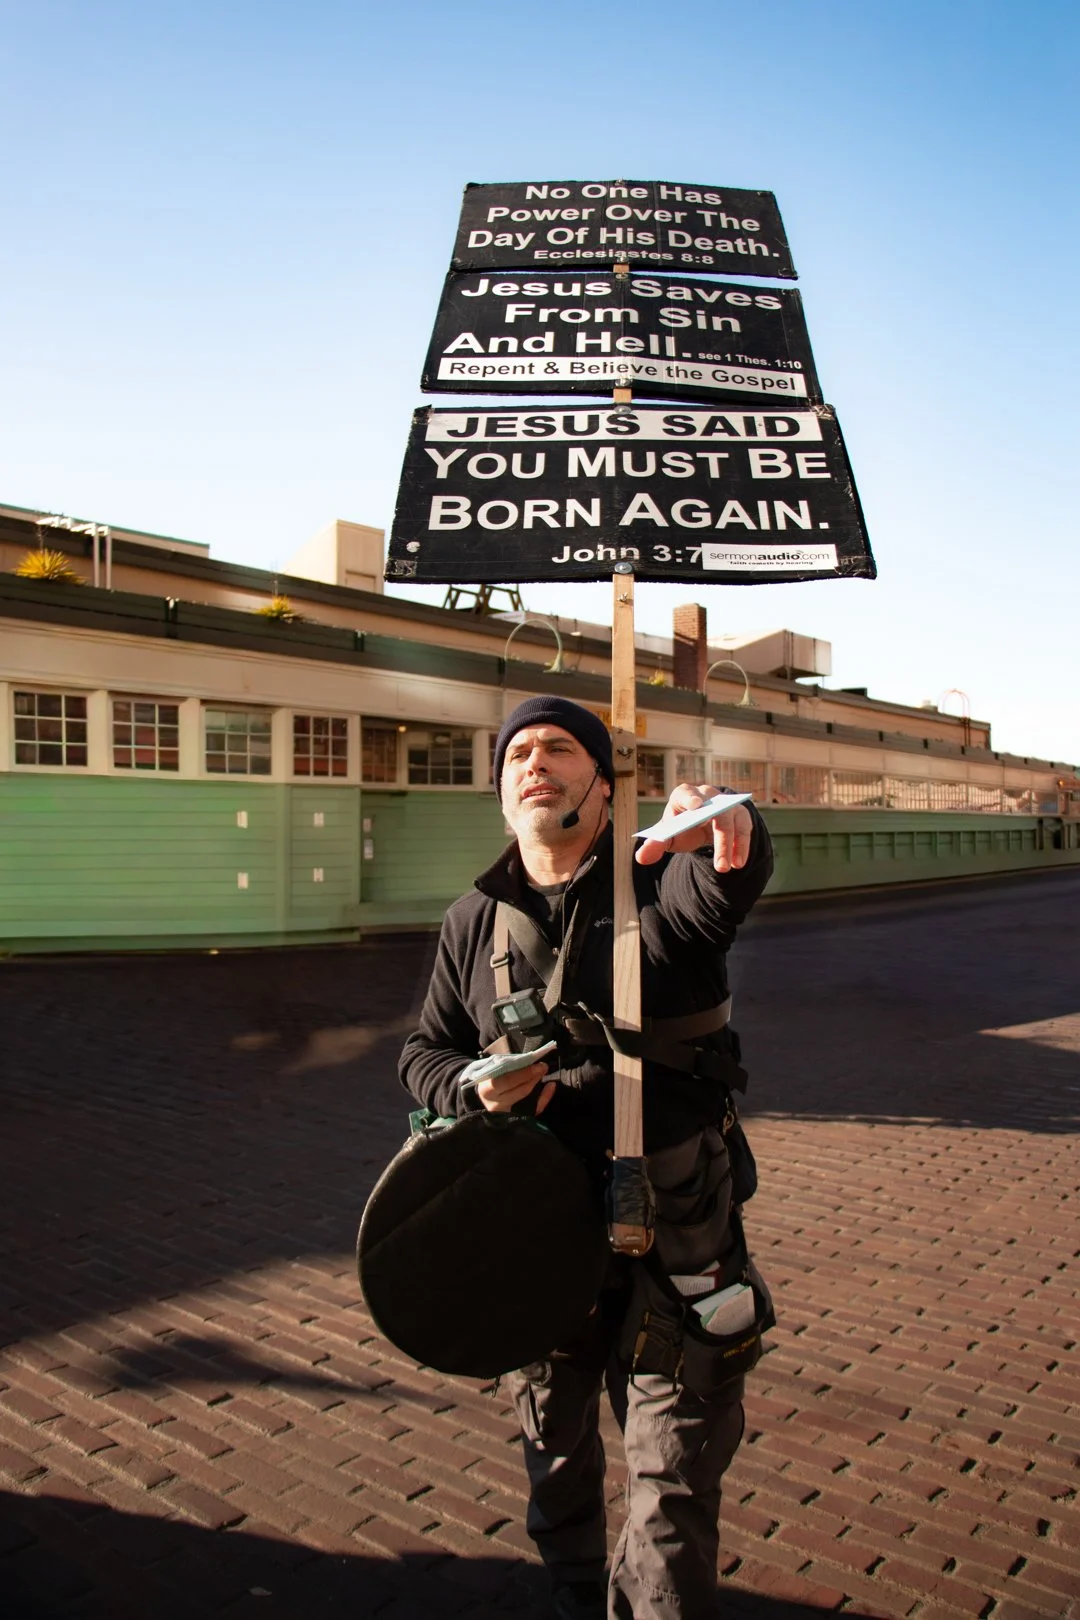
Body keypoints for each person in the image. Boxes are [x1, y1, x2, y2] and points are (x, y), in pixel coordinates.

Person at [399, 695, 773, 1620]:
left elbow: (722, 882)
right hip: (533, 1237)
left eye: (560, 749)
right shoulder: (472, 921)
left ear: (604, 786)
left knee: (673, 1478)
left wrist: (730, 831)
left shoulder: (657, 887)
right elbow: (423, 1052)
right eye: (518, 752)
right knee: (556, 1461)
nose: (535, 762)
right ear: (500, 791)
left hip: (678, 1235)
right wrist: (471, 1087)